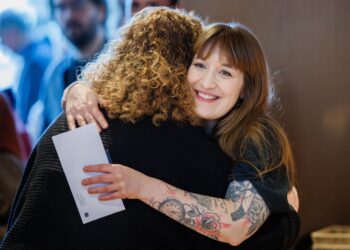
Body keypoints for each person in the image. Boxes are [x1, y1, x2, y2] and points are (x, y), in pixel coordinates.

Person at [63, 14, 300, 248]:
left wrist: (139, 186)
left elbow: (236, 226)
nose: (207, 83)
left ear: (247, 88)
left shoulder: (258, 135)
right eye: (199, 65)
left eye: (225, 72)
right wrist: (78, 88)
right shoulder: (177, 124)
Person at [33, 0, 108, 135]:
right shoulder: (54, 75)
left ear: (101, 11)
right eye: (61, 8)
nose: (68, 16)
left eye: (77, 5)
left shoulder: (122, 62)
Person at [0, 10, 53, 125]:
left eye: (2, 38)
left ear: (12, 33)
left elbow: (33, 110)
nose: (3, 46)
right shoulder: (35, 56)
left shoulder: (37, 61)